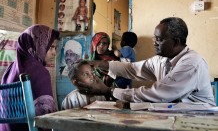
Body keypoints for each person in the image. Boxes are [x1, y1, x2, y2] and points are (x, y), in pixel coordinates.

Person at [76, 17, 216, 106]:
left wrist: (109, 91)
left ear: (176, 41)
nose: (154, 43)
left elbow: (157, 93)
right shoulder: (162, 60)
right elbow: (132, 69)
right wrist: (101, 64)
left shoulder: (191, 64)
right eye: (154, 38)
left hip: (198, 120)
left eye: (159, 39)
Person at [0, 25, 59, 131]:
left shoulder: (9, 70)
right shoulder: (40, 72)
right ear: (37, 45)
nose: (54, 53)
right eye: (51, 47)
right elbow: (47, 120)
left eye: (55, 48)